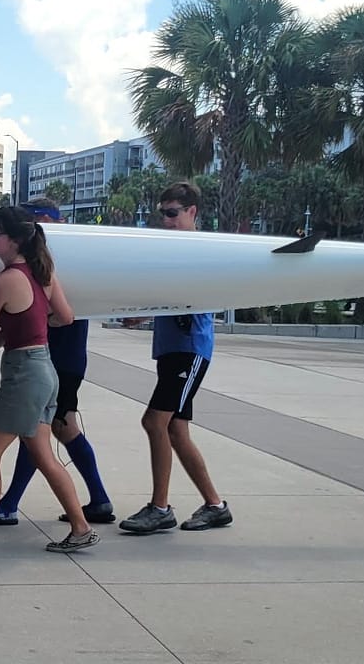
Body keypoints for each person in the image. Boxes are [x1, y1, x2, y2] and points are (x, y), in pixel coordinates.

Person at [0, 206, 101, 560]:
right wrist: (18, 328)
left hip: (23, 375)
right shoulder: (42, 274)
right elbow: (66, 317)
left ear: (12, 241)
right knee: (43, 455)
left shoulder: (0, 282)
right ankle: (80, 529)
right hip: (44, 368)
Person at [119, 181, 232, 534]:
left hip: (190, 348)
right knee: (176, 431)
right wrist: (142, 311)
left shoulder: (201, 250)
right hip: (172, 350)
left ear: (192, 212)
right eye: (163, 214)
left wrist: (147, 308)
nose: (166, 221)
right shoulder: (174, 250)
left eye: (172, 214)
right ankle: (215, 506)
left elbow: (192, 296)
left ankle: (160, 507)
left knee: (154, 422)